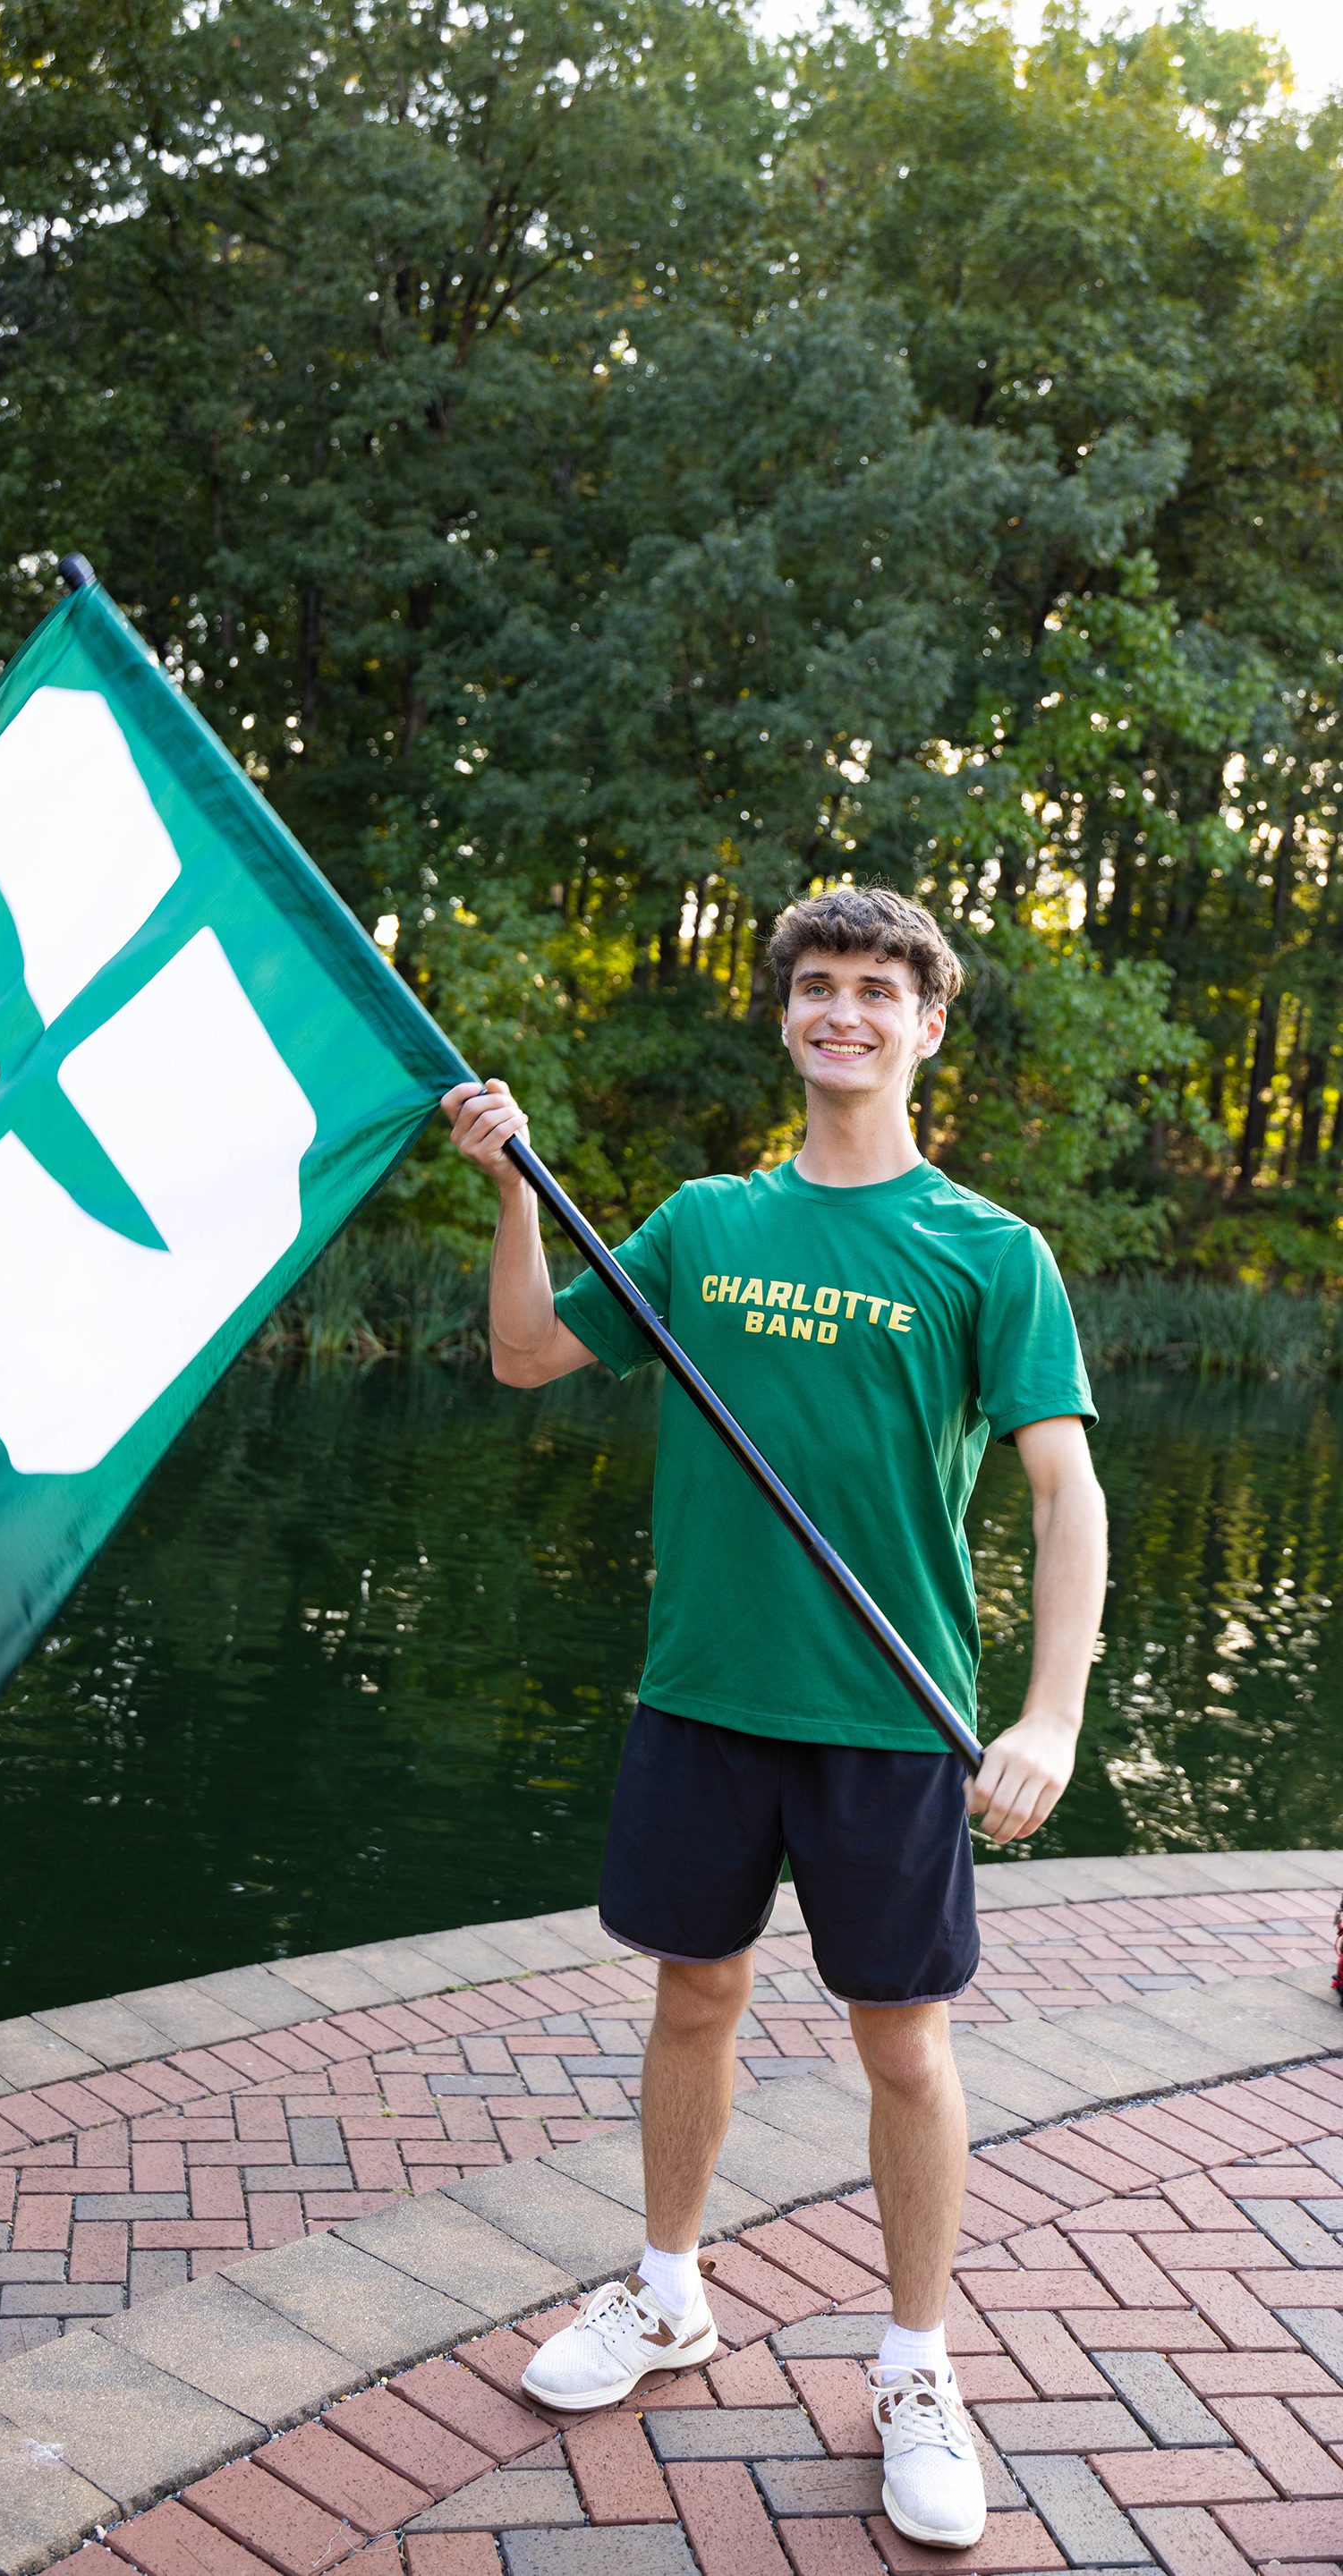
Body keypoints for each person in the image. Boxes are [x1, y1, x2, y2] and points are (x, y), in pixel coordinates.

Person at [443, 884, 1108, 2552]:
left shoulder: (989, 1253)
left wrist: (1051, 1716)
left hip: (888, 1715)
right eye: (819, 987)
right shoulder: (699, 1221)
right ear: (787, 1018)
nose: (846, 1014)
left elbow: (1065, 1495)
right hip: (705, 1696)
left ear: (927, 1026)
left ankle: (915, 2368)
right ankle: (668, 2294)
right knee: (695, 1995)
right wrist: (513, 1189)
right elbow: (526, 1356)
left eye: (881, 992)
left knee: (904, 2041)